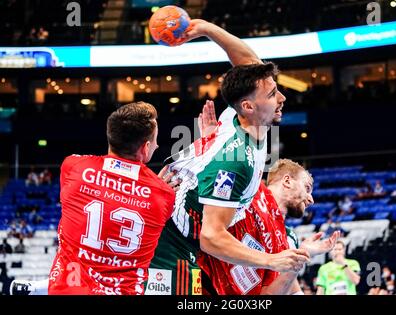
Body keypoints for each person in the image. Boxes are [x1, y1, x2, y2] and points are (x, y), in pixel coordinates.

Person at [148, 19, 305, 295]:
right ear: (248, 106)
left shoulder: (241, 115)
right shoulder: (234, 161)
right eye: (272, 94)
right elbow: (211, 237)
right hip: (173, 241)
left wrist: (207, 28)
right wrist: (272, 260)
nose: (281, 97)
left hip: (189, 223)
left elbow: (249, 62)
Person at [10, 102, 178, 295]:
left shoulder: (73, 166)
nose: (157, 145)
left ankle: (41, 287)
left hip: (68, 289)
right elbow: (143, 206)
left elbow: (108, 200)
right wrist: (152, 186)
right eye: (155, 140)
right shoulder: (164, 194)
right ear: (145, 148)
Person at [197, 159, 340, 295]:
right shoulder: (251, 188)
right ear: (287, 181)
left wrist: (300, 256)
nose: (311, 199)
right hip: (196, 277)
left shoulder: (283, 242)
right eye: (307, 188)